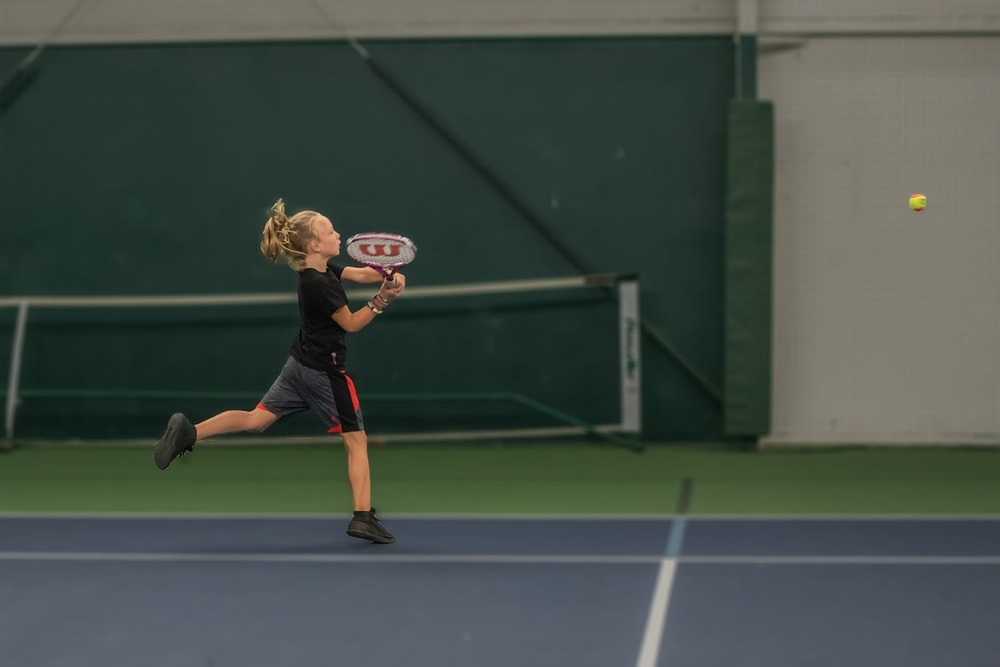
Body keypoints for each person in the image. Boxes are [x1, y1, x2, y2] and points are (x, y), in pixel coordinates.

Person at [153, 199, 405, 545]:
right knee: (356, 440)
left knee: (256, 419)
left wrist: (385, 272)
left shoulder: (319, 272)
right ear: (314, 245)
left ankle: (190, 432)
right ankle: (362, 517)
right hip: (323, 372)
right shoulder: (320, 285)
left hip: (298, 365)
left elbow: (360, 273)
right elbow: (350, 323)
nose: (337, 234)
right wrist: (381, 301)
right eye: (330, 231)